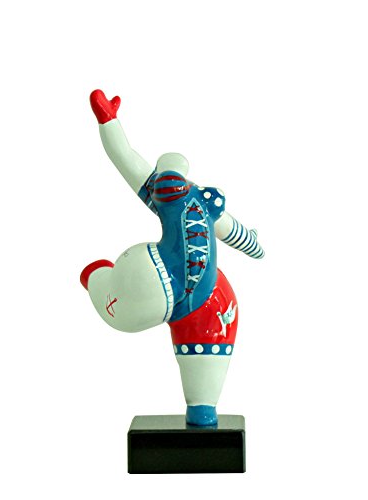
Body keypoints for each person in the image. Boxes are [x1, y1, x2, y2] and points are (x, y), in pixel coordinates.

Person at [81, 90, 264, 426]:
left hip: (191, 295)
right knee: (127, 310)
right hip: (177, 286)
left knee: (201, 370)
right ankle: (96, 278)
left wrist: (109, 122)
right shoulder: (196, 202)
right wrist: (109, 122)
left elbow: (125, 158)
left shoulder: (176, 197)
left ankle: (202, 413)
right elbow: (237, 234)